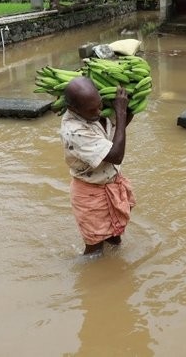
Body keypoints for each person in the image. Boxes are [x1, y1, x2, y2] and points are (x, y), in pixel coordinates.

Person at [60, 76, 136, 255]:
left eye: (100, 104)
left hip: (112, 183)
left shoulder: (97, 110)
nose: (99, 111)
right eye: (91, 109)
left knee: (115, 238)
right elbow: (116, 156)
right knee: (95, 250)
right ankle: (90, 278)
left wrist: (126, 108)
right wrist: (121, 112)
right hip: (91, 192)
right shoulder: (73, 131)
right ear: (73, 109)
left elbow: (119, 128)